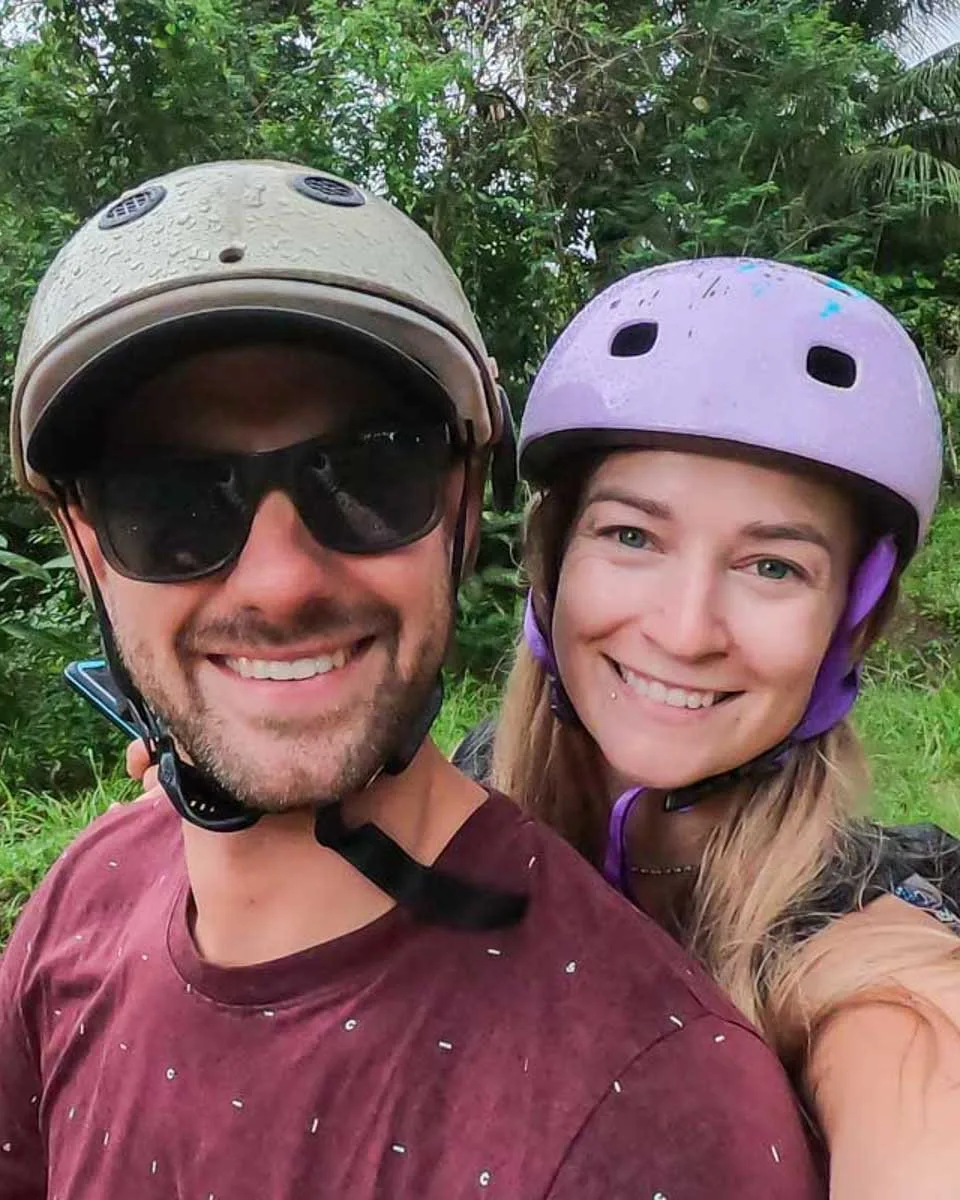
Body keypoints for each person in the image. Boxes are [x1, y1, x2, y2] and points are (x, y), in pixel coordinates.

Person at [0, 163, 822, 1199]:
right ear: (85, 546)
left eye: (366, 472)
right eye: (169, 501)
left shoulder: (655, 1108)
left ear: (463, 506)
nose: (281, 582)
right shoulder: (84, 898)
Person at [459, 257, 960, 1197]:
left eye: (773, 567)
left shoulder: (868, 940)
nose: (686, 632)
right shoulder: (464, 799)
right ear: (551, 562)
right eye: (632, 536)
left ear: (851, 623)